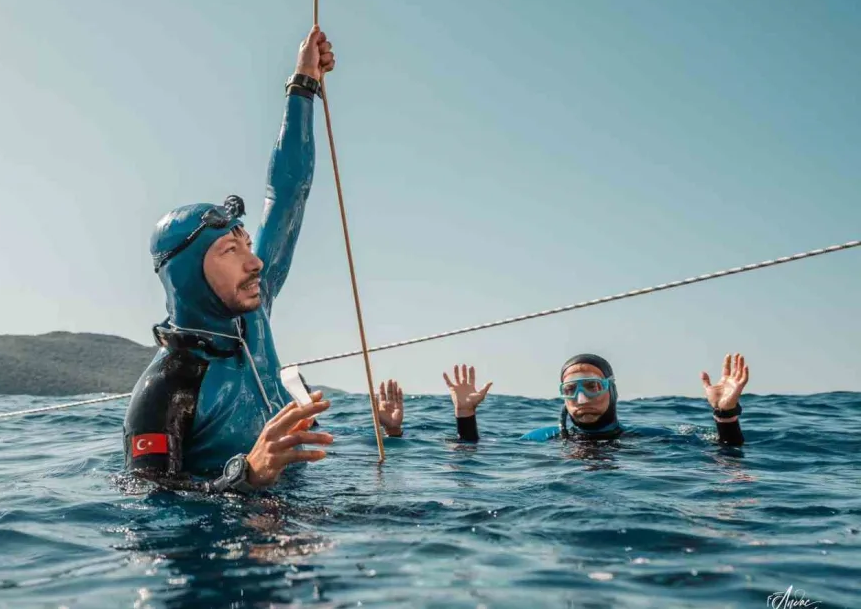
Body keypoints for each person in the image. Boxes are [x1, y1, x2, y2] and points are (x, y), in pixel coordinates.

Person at [122, 26, 337, 494]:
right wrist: (247, 475)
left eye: (246, 244)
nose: (255, 263)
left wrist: (303, 84)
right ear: (189, 276)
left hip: (295, 519)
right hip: (221, 548)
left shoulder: (253, 313)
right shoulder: (167, 388)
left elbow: (288, 195)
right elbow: (147, 506)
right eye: (230, 251)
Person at [376, 353, 749, 446]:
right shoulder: (543, 440)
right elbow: (471, 455)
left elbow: (726, 457)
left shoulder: (648, 438)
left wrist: (725, 413)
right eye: (570, 390)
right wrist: (464, 414)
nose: (582, 398)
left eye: (592, 386)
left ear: (612, 390)